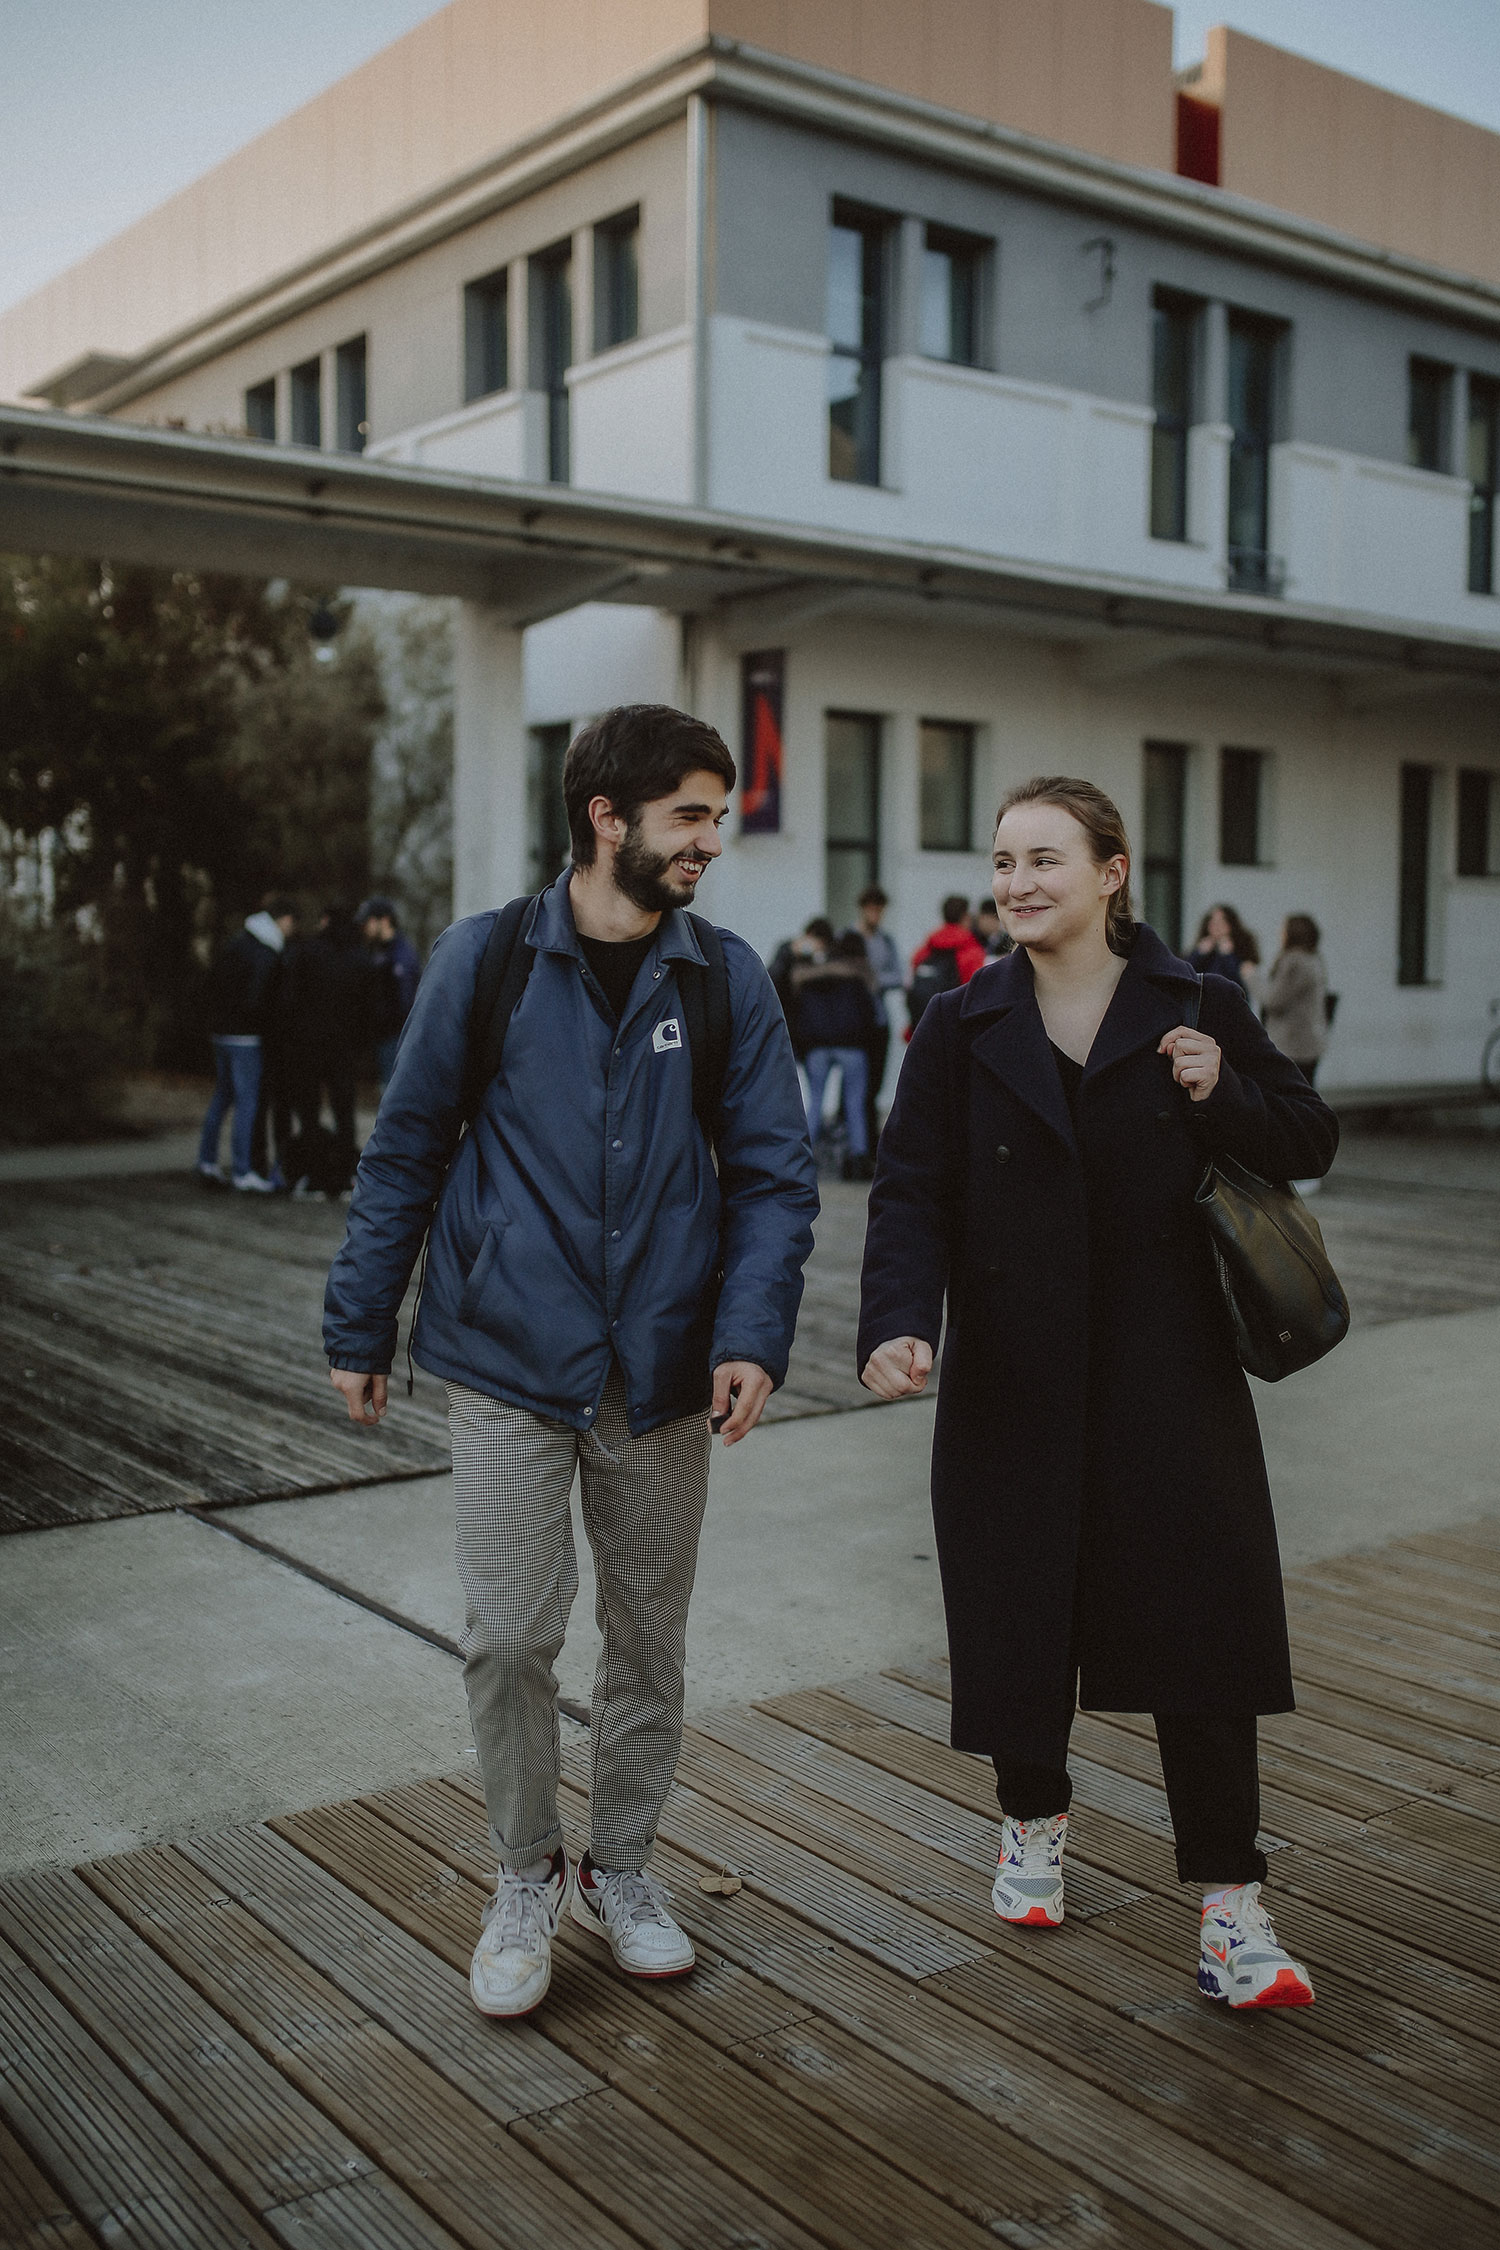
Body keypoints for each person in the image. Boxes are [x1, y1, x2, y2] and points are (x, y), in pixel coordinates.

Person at [324, 704, 817, 2021]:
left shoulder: (725, 980)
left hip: (660, 1372)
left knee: (648, 1638)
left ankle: (628, 1865)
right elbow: (406, 1151)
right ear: (610, 820)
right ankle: (525, 1871)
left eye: (717, 815)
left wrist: (751, 1332)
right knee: (505, 1638)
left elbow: (776, 1175)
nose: (715, 839)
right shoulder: (482, 963)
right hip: (503, 1354)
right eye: (693, 816)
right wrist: (358, 1324)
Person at [858, 773, 1337, 2011]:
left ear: (1113, 871)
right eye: (1004, 859)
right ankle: (1032, 1818)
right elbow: (912, 1189)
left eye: (1045, 859)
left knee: (1202, 1633)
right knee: (1021, 1604)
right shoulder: (960, 1023)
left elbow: (1306, 1138)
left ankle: (1233, 1908)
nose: (1016, 881)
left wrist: (1214, 1085)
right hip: (1012, 1377)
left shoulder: (1199, 1001)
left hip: (1168, 1378)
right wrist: (901, 1323)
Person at [196, 896, 296, 1192]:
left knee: (222, 1097)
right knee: (248, 1102)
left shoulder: (237, 943)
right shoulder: (266, 952)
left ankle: (207, 1160)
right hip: (247, 1037)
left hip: (222, 1032)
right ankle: (243, 1170)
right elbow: (259, 999)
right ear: (285, 920)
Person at [283, 905, 375, 1194]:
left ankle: (314, 1172)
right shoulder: (360, 957)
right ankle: (346, 1172)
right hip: (343, 1047)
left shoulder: (307, 952)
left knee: (309, 1111)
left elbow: (289, 998)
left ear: (325, 920)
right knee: (344, 1111)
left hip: (307, 1044)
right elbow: (368, 1009)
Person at [792, 928, 881, 1179]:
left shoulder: (807, 975)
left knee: (816, 1101)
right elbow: (869, 1011)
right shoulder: (856, 974)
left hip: (818, 1045)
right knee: (855, 1101)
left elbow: (800, 1008)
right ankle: (858, 1158)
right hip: (852, 1044)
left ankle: (802, 1156)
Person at [1261, 915, 1331, 1198]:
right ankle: (1306, 1172)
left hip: (1291, 1045)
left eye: (1283, 927)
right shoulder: (1315, 960)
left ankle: (1301, 1172)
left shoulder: (1293, 962)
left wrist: (1250, 975)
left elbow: (1273, 1000)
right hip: (1310, 1044)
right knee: (1304, 1105)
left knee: (1290, 1111)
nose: (1279, 932)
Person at [849, 885, 903, 1149]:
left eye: (879, 910)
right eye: (872, 909)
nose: (876, 915)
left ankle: (869, 1144)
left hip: (878, 1019)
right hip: (853, 1022)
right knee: (856, 1088)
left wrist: (874, 980)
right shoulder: (847, 937)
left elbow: (898, 975)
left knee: (874, 1085)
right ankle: (857, 1144)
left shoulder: (886, 941)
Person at [360, 895, 422, 1087]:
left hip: (397, 1036)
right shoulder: (378, 951)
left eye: (369, 921)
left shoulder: (402, 953)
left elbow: (406, 999)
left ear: (384, 920)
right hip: (383, 1036)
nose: (365, 927)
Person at [907, 892, 986, 1030]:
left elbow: (911, 987)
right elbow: (975, 996)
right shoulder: (972, 952)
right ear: (965, 917)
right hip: (956, 1030)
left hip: (922, 1028)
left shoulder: (924, 951)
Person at [768, 917, 834, 1060]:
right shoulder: (787, 952)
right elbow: (772, 981)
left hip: (810, 1034)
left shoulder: (824, 963)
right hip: (787, 1028)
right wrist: (791, 953)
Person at [1190, 905, 1261, 1004]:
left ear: (1230, 925)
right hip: (1205, 1004)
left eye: (1221, 922)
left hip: (1231, 1005)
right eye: (1212, 922)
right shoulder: (1202, 949)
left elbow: (1241, 981)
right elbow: (1188, 973)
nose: (1216, 927)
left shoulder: (1241, 946)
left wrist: (1228, 956)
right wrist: (1199, 954)